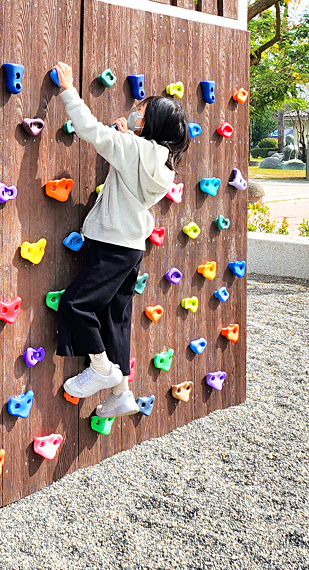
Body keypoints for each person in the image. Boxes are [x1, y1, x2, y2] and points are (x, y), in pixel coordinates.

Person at [51, 61, 189, 417]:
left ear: (151, 122)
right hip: (131, 247)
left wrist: (68, 90)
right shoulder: (163, 161)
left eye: (140, 111)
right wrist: (129, 137)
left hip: (111, 243)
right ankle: (122, 392)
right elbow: (135, 163)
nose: (135, 112)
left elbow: (91, 131)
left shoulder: (134, 150)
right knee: (116, 317)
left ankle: (100, 368)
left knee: (75, 305)